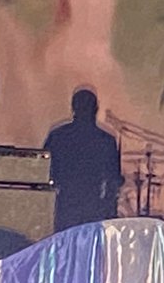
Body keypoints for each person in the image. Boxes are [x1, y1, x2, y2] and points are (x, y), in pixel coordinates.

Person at [44, 88, 124, 230]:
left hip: (64, 202)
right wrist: (108, 208)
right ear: (96, 109)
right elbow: (114, 179)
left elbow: (43, 171)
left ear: (73, 108)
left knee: (65, 245)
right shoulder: (106, 140)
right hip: (93, 204)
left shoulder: (58, 136)